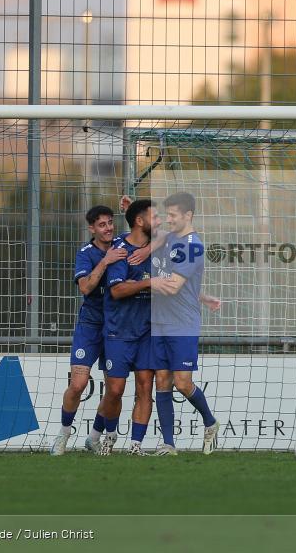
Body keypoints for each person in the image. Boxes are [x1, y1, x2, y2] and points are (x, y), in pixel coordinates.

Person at [50, 206, 127, 456]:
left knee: (114, 389)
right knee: (78, 384)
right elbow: (85, 287)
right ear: (92, 228)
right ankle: (63, 434)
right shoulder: (85, 254)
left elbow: (146, 235)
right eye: (102, 225)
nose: (108, 228)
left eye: (110, 223)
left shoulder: (122, 244)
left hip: (116, 326)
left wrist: (130, 210)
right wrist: (105, 261)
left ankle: (95, 437)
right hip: (90, 326)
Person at [150, 192, 221, 455]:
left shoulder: (192, 245)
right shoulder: (168, 238)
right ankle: (168, 444)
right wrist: (202, 296)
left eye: (172, 215)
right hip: (158, 323)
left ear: (188, 216)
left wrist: (135, 286)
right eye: (166, 215)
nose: (168, 220)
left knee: (182, 383)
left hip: (183, 325)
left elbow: (173, 287)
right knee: (162, 382)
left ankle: (210, 422)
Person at [98, 199, 158, 456]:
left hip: (146, 331)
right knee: (115, 389)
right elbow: (117, 290)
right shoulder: (119, 251)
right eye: (154, 217)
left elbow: (182, 236)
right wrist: (148, 283)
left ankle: (136, 446)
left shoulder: (158, 247)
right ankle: (109, 438)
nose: (160, 222)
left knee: (145, 386)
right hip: (118, 331)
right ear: (139, 222)